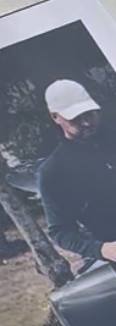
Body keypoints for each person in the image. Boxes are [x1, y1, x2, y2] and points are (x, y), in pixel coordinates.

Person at [38, 78, 116, 264]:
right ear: (55, 117)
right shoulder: (54, 171)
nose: (87, 123)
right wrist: (101, 249)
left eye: (90, 114)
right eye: (76, 118)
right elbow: (60, 231)